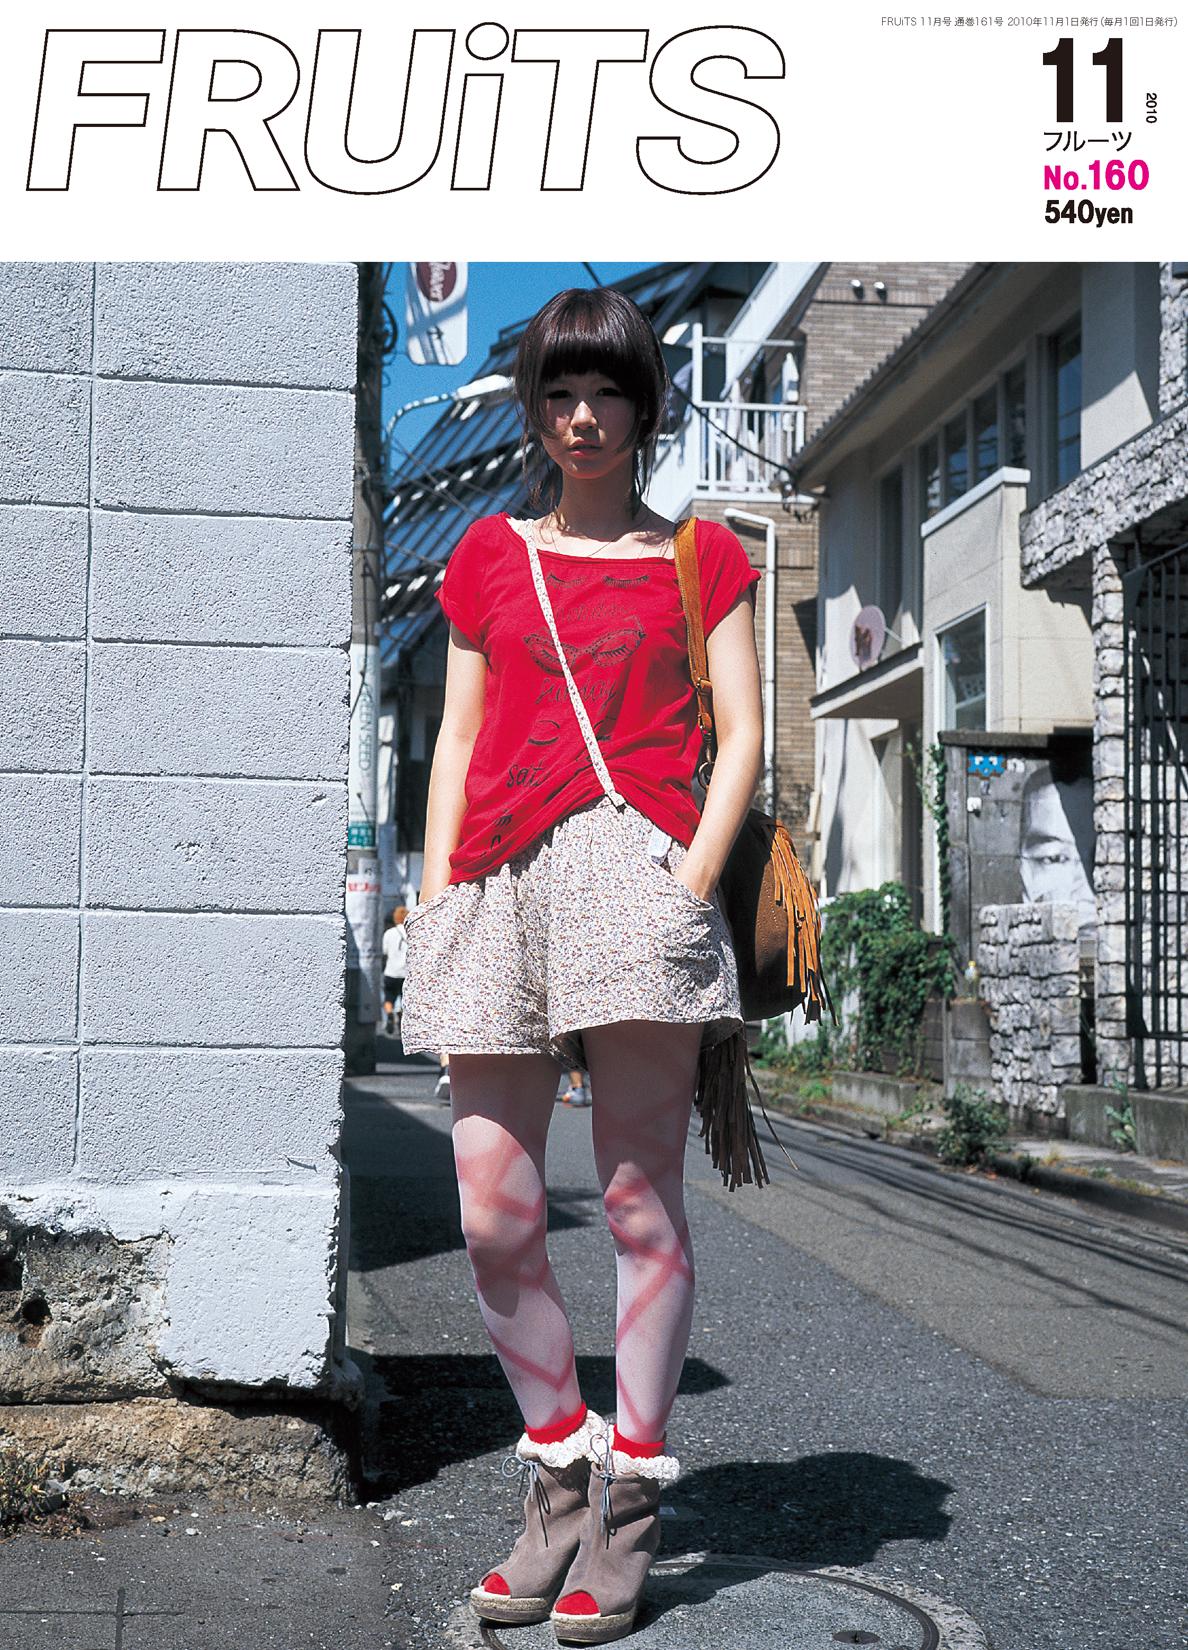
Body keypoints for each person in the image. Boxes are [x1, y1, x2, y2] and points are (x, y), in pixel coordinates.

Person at [399, 286, 763, 1645]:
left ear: (644, 405)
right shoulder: (488, 554)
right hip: (496, 877)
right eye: (560, 392)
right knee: (494, 1211)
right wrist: (439, 894)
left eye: (607, 391)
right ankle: (558, 1469)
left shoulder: (702, 555)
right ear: (536, 410)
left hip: (634, 874)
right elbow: (457, 734)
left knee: (635, 1201)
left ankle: (632, 1498)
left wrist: (685, 886)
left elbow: (743, 736)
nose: (583, 417)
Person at [381, 905, 408, 1037]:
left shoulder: (389, 933)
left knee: (388, 996)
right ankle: (400, 1016)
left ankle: (390, 1013)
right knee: (404, 1000)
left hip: (391, 972)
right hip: (406, 974)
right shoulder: (411, 932)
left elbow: (384, 951)